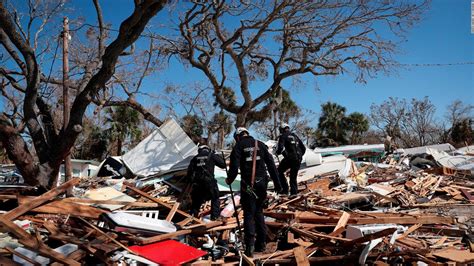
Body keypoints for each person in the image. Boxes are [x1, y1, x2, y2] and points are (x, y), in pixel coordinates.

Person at [225, 127, 281, 257]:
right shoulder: (260, 144)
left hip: (248, 186)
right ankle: (261, 244)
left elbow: (234, 166)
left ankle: (249, 246)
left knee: (249, 214)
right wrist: (278, 184)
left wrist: (229, 180)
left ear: (238, 137)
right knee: (259, 212)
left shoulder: (239, 146)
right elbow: (271, 165)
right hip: (262, 184)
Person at [187, 144, 226, 220]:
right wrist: (217, 155)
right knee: (215, 198)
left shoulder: (195, 158)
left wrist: (191, 184)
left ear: (199, 150)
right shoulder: (212, 155)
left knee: (196, 202)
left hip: (198, 183)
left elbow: (189, 173)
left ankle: (192, 218)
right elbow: (223, 164)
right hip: (209, 182)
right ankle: (215, 217)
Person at [276, 123, 306, 196]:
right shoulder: (295, 136)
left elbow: (280, 148)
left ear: (282, 129)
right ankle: (294, 193)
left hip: (290, 158)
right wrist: (299, 156)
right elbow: (303, 148)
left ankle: (285, 190)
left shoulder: (283, 136)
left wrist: (278, 152)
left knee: (279, 171)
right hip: (298, 159)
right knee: (293, 177)